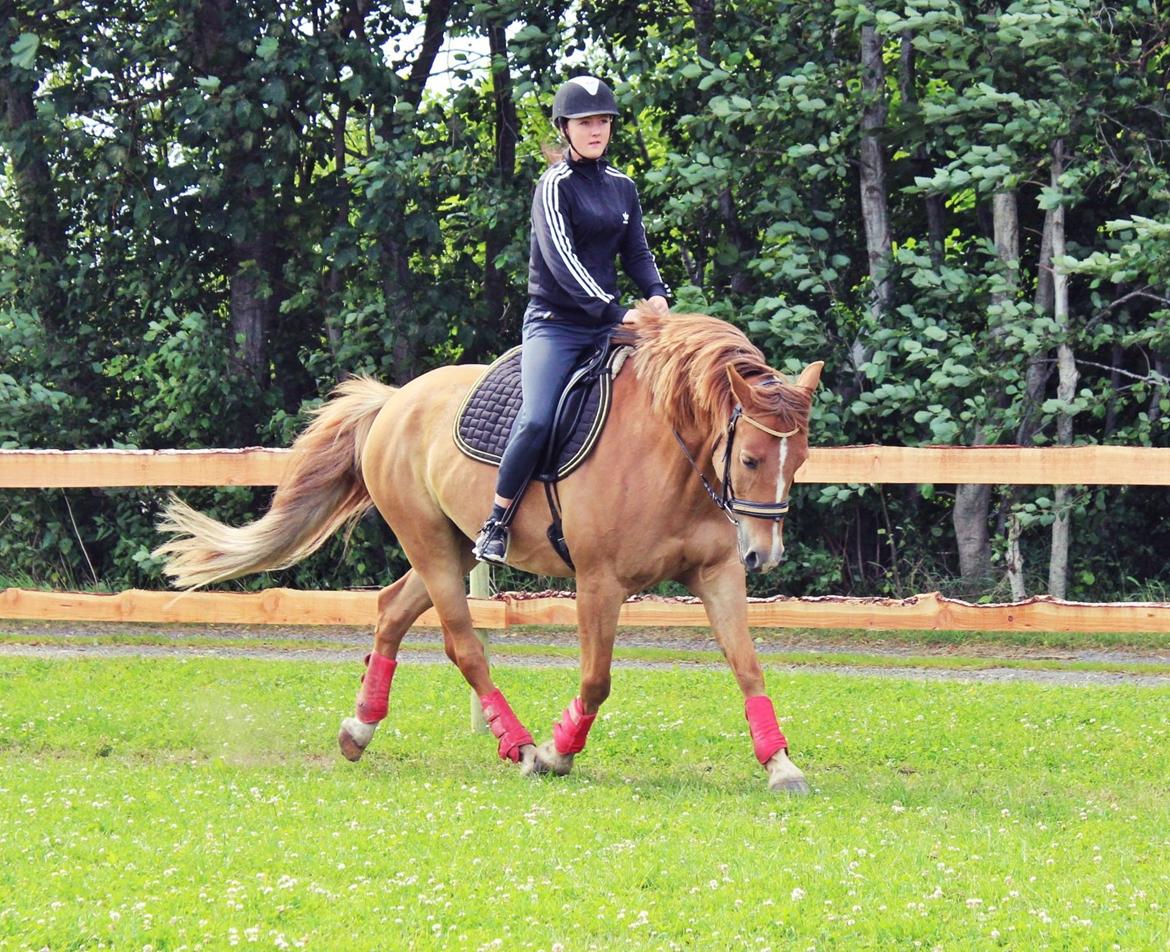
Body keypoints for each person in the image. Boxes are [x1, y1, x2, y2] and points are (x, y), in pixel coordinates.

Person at [473, 75, 670, 565]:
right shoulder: (554, 185)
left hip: (611, 321)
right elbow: (564, 263)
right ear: (565, 128)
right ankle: (496, 520)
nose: (596, 129)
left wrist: (656, 293)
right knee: (538, 417)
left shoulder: (623, 187)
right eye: (586, 122)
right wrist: (614, 310)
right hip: (556, 324)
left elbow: (637, 251)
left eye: (602, 121)